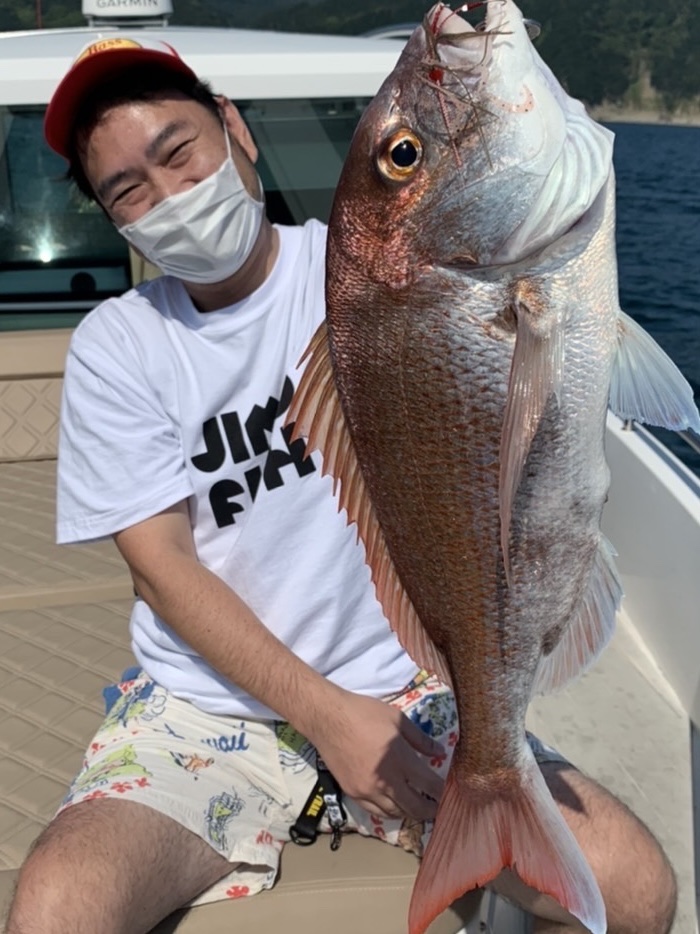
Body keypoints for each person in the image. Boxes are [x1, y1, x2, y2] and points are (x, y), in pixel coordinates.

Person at [6, 37, 676, 934]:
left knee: (637, 896)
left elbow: (531, 313)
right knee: (53, 911)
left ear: (235, 129)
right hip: (209, 710)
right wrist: (327, 718)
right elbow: (161, 567)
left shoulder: (380, 267)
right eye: (129, 189)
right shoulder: (117, 347)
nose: (170, 197)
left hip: (413, 689)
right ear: (113, 220)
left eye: (179, 151)